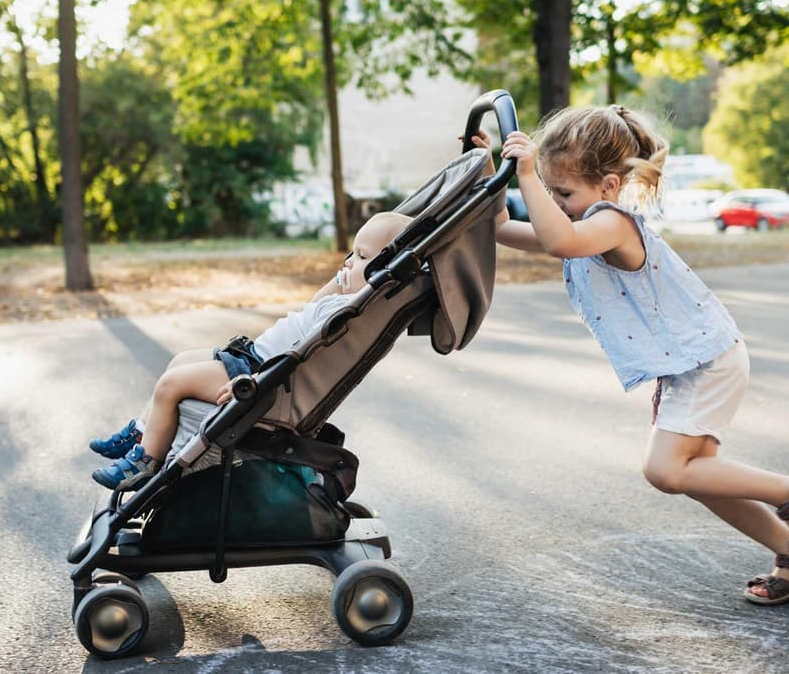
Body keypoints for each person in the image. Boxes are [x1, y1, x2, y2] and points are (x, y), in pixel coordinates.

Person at [471, 104, 789, 605]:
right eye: (552, 193)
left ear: (610, 186)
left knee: (666, 471)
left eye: (564, 193)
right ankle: (787, 546)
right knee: (703, 480)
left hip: (708, 362)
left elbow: (560, 241)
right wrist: (492, 172)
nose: (556, 203)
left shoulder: (611, 223)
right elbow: (502, 228)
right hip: (686, 367)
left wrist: (530, 174)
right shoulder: (580, 220)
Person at [88, 211, 412, 492]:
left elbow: (307, 356)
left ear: (381, 271)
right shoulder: (345, 301)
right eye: (350, 253)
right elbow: (317, 300)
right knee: (181, 360)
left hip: (258, 372)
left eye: (361, 256)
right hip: (249, 357)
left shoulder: (348, 316)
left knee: (171, 385)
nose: (348, 262)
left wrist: (258, 379)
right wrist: (347, 277)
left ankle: (146, 463)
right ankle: (141, 434)